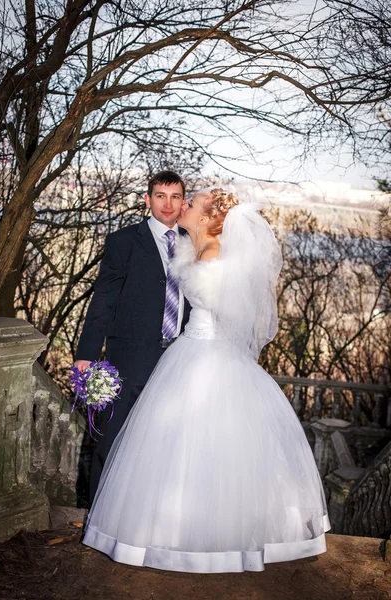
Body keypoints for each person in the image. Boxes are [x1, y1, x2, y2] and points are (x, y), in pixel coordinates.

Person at [82, 188, 330, 573]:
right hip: (186, 352)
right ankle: (174, 530)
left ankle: (209, 540)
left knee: (207, 448)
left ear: (206, 216)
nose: (182, 206)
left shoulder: (215, 255)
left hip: (207, 356)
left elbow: (230, 310)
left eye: (190, 202)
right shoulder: (194, 246)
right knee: (174, 450)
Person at [74, 170, 191, 502]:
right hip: (129, 359)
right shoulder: (123, 241)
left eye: (175, 196)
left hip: (180, 359)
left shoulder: (193, 242)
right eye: (160, 196)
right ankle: (99, 515)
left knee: (165, 443)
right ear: (147, 199)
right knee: (112, 440)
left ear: (183, 201)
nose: (168, 204)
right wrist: (86, 353)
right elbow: (104, 301)